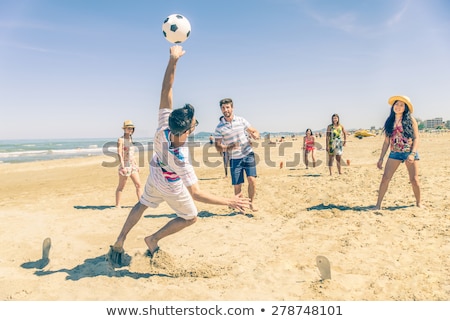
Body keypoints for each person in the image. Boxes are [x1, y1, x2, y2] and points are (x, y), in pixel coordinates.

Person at [108, 45, 250, 265]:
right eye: (194, 124)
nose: (195, 124)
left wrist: (173, 60)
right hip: (170, 182)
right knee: (190, 217)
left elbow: (166, 89)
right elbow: (197, 193)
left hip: (155, 171)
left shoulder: (165, 126)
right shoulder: (181, 159)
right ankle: (153, 238)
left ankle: (120, 239)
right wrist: (228, 201)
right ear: (186, 131)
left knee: (142, 204)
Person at [371, 95, 422, 210]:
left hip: (409, 152)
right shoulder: (389, 121)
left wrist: (413, 154)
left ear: (405, 108)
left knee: (414, 180)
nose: (398, 107)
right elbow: (386, 142)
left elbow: (416, 138)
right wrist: (381, 158)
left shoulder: (411, 120)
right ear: (393, 106)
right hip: (394, 153)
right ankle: (378, 205)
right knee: (385, 178)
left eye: (401, 105)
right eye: (396, 104)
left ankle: (419, 203)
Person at [214, 98, 260, 212]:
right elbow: (217, 146)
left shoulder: (241, 120)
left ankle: (251, 203)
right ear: (221, 110)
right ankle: (239, 205)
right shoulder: (219, 127)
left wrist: (255, 135)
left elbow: (254, 131)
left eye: (228, 107)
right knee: (237, 185)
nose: (226, 110)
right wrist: (229, 147)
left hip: (248, 154)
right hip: (234, 158)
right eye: (223, 108)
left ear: (232, 108)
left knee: (252, 180)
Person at [115, 120, 143, 208]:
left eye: (132, 128)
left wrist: (136, 164)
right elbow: (119, 153)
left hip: (132, 165)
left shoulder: (131, 139)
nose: (130, 130)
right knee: (121, 187)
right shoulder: (121, 139)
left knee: (138, 184)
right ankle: (117, 205)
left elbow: (132, 154)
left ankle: (141, 203)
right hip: (125, 165)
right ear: (124, 129)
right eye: (129, 128)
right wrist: (123, 166)